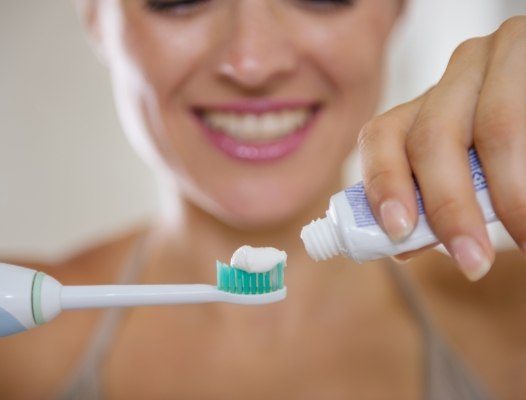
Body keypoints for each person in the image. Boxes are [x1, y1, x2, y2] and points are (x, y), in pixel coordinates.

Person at [1, 1, 525, 399]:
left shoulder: (512, 325)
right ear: (94, 15)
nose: (252, 63)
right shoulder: (17, 354)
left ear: (397, 9)